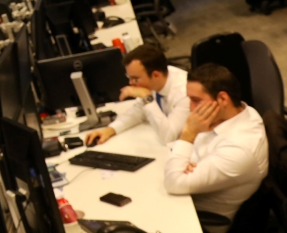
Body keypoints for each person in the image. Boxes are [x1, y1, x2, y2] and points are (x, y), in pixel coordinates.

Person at [163, 64, 268, 222]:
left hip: (196, 218)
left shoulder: (240, 148)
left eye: (196, 100)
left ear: (223, 99)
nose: (191, 108)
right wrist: (186, 159)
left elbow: (174, 183)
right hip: (181, 198)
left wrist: (188, 134)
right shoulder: (239, 112)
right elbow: (177, 152)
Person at [85, 45, 189, 146]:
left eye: (135, 79)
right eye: (129, 77)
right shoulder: (155, 82)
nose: (131, 83)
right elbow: (138, 112)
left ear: (156, 75)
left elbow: (168, 137)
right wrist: (109, 130)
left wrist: (147, 98)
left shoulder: (185, 93)